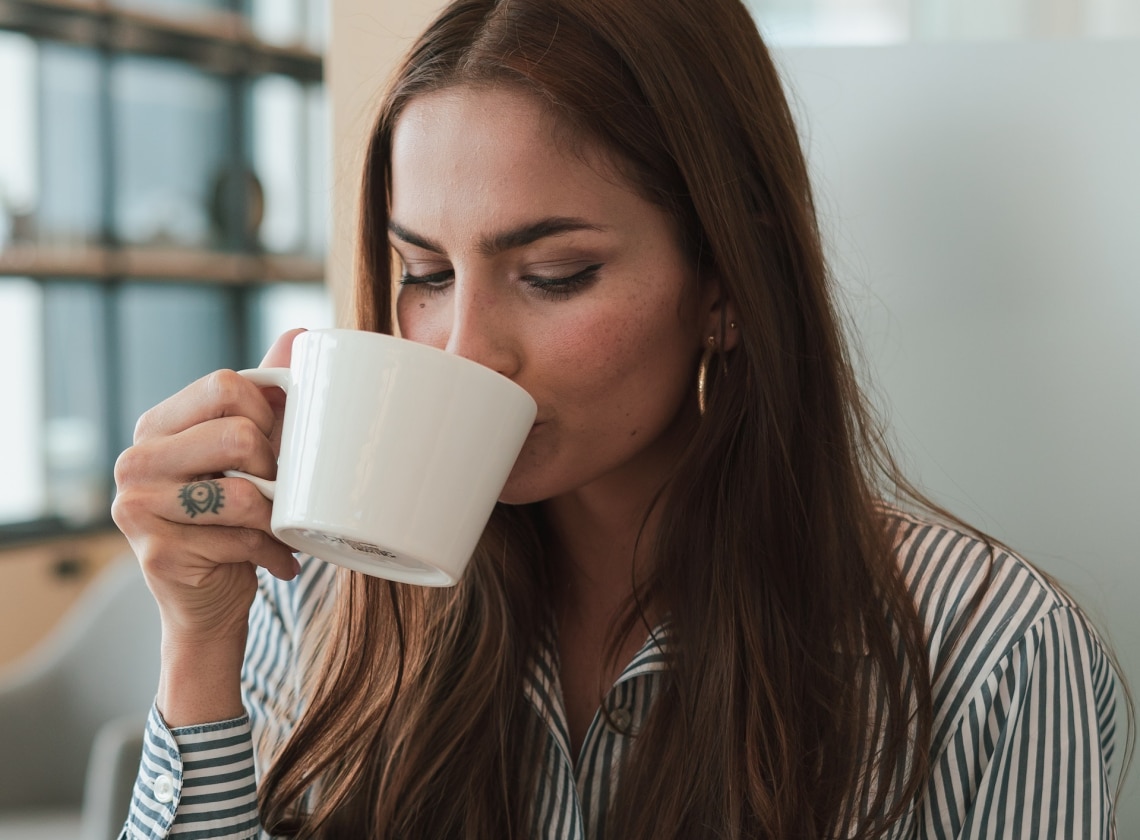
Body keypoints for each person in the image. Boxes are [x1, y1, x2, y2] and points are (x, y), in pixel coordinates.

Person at [111, 0, 1130, 837]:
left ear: (727, 283)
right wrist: (199, 644)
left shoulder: (989, 650)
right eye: (425, 272)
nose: (464, 348)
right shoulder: (320, 598)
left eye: (555, 275)